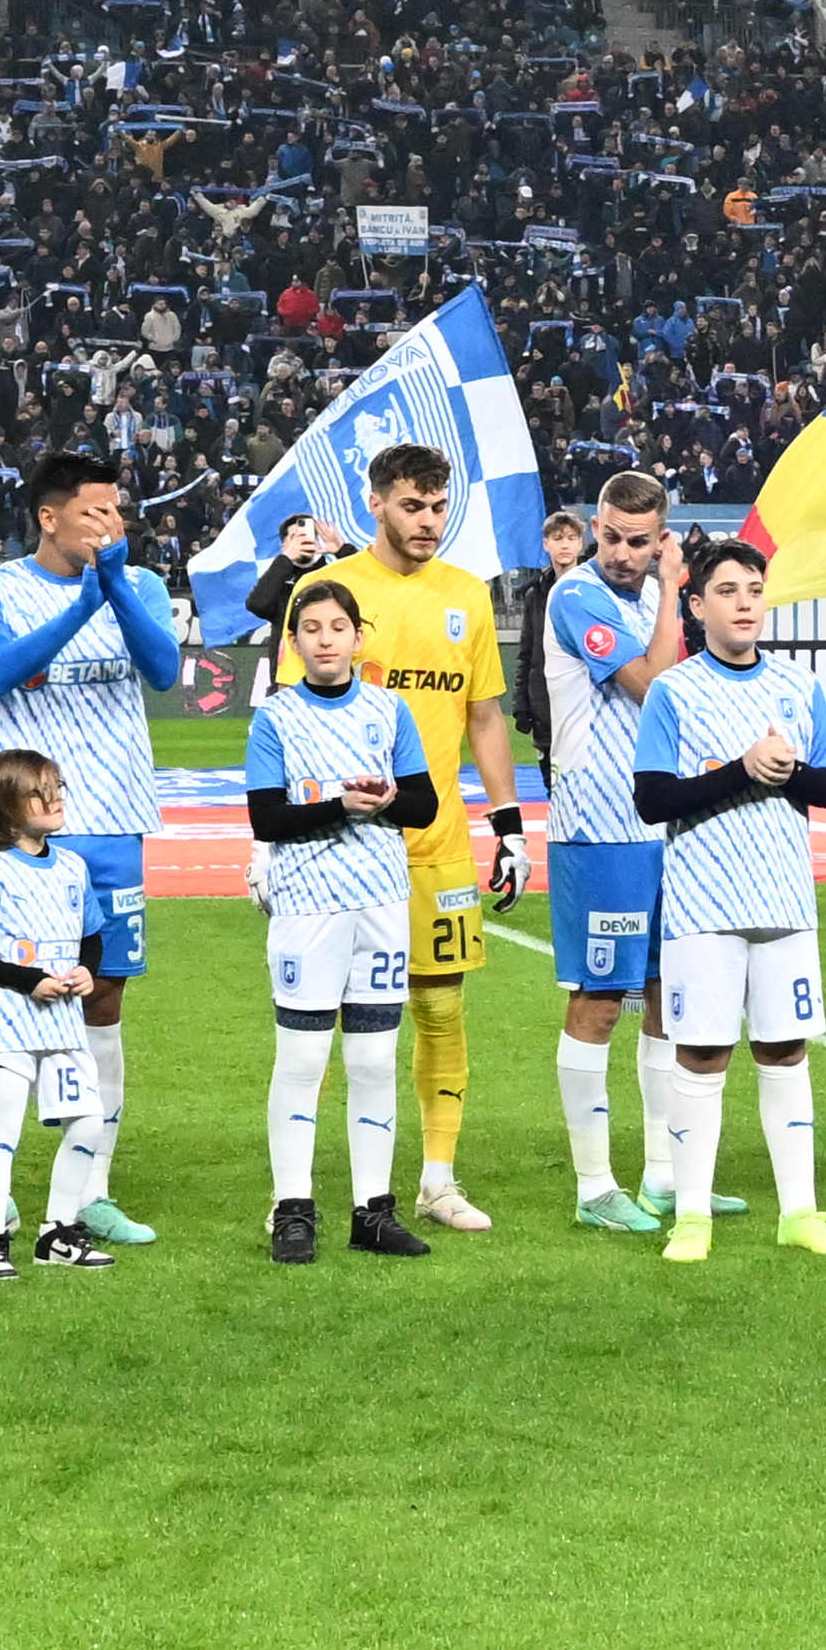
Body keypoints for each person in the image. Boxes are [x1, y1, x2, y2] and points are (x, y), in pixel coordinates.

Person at [0, 450, 192, 1253]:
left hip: (113, 820)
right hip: (15, 836)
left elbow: (163, 672)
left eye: (117, 511)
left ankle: (92, 1188)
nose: (111, 524)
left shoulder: (142, 584)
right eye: (94, 512)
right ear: (49, 517)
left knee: (101, 1001)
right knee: (4, 1009)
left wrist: (114, 588)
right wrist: (79, 604)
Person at [636, 536, 826, 1265]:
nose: (744, 603)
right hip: (702, 905)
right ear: (695, 607)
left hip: (784, 901)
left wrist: (785, 769)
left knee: (784, 1050)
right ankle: (691, 1217)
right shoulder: (674, 690)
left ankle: (798, 1210)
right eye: (727, 591)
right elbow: (652, 799)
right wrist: (742, 769)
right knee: (700, 1052)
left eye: (753, 590)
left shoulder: (796, 686)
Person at [320, 439, 524, 1237]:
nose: (428, 521)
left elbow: (482, 716)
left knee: (441, 1008)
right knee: (330, 1019)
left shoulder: (466, 596)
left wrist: (507, 827)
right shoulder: (328, 592)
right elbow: (290, 714)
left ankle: (438, 1180)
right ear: (375, 503)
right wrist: (271, 842)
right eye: (412, 505)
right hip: (342, 849)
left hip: (436, 844)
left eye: (439, 507)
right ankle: (320, 1186)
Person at [238, 572, 437, 1266]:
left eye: (337, 628)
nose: (325, 640)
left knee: (374, 1060)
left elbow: (425, 806)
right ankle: (292, 1209)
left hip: (381, 903)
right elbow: (266, 817)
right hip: (306, 908)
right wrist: (338, 809)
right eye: (311, 630)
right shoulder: (276, 718)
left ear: (358, 637)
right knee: (301, 1061)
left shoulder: (388, 710)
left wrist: (384, 800)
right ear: (293, 643)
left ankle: (372, 1210)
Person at [531, 475, 685, 1233]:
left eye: (639, 540)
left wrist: (670, 592)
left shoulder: (655, 593)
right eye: (612, 537)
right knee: (599, 1002)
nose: (622, 554)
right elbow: (655, 686)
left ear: (661, 534)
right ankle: (595, 1187)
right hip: (599, 825)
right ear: (595, 525)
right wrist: (675, 589)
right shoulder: (576, 595)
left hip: (660, 827)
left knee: (665, 999)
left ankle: (662, 1176)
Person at [0, 749, 117, 1276]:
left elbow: (91, 936)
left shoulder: (73, 867)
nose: (56, 796)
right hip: (7, 1026)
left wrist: (87, 971)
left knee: (87, 1125)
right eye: (41, 789)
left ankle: (58, 1231)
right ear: (6, 808)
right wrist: (28, 981)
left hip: (63, 1026)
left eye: (57, 785)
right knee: (2, 1132)